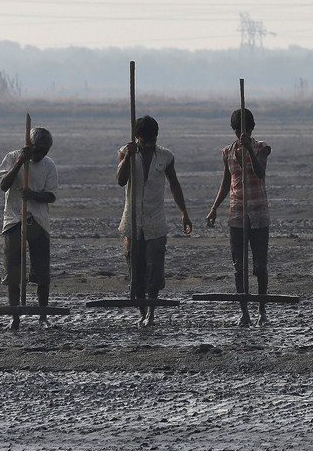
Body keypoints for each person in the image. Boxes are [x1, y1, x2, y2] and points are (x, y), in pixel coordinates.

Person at [116, 115, 192, 326]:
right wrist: (128, 159)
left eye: (153, 140)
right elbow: (120, 180)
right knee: (135, 268)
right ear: (137, 138)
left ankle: (151, 313)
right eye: (145, 141)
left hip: (156, 221)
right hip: (132, 221)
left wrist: (183, 212)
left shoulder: (166, 156)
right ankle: (142, 312)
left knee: (155, 269)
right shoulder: (126, 151)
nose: (149, 145)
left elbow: (174, 183)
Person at [206, 107, 272, 327]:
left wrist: (250, 150)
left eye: (242, 131)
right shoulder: (227, 152)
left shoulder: (262, 148)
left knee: (260, 266)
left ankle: (262, 310)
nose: (239, 135)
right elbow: (227, 182)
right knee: (239, 266)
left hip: (259, 215)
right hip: (236, 215)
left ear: (251, 129)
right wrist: (214, 207)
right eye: (236, 131)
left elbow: (260, 172)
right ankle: (244, 312)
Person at [0, 127, 58, 330]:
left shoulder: (49, 166)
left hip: (38, 222)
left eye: (45, 150)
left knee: (42, 271)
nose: (41, 154)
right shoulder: (12, 157)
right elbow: (3, 185)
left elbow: (51, 195)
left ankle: (43, 316)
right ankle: (14, 317)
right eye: (37, 150)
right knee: (13, 270)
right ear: (29, 146)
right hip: (14, 220)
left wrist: (32, 195)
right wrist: (20, 163)